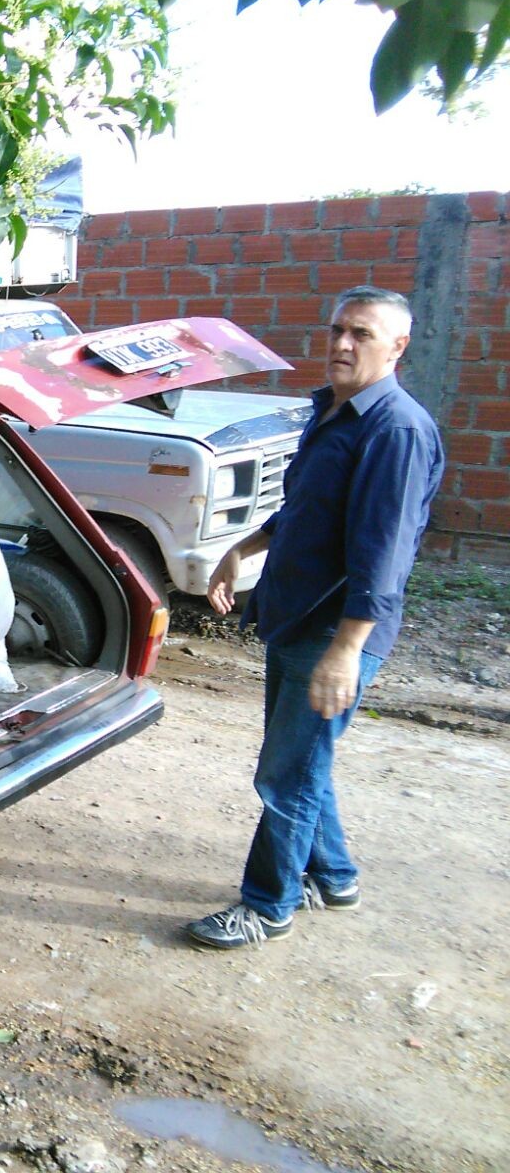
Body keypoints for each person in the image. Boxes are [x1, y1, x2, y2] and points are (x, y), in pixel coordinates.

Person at [186, 285, 444, 951]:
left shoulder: (395, 429)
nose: (342, 344)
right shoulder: (331, 410)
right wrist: (242, 549)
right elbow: (307, 508)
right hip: (297, 616)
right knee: (302, 762)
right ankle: (332, 875)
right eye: (337, 330)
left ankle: (268, 905)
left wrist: (347, 649)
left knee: (285, 773)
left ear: (398, 346)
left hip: (336, 629)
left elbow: (383, 554)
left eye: (361, 333)